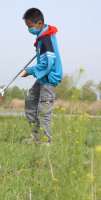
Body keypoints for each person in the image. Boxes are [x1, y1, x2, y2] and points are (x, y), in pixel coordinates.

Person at [21, 8, 63, 144]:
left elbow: (48, 63)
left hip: (49, 78)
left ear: (39, 23)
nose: (29, 29)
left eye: (30, 26)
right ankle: (36, 136)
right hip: (43, 78)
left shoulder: (45, 39)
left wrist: (31, 70)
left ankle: (46, 140)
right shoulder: (42, 38)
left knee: (44, 109)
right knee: (30, 103)